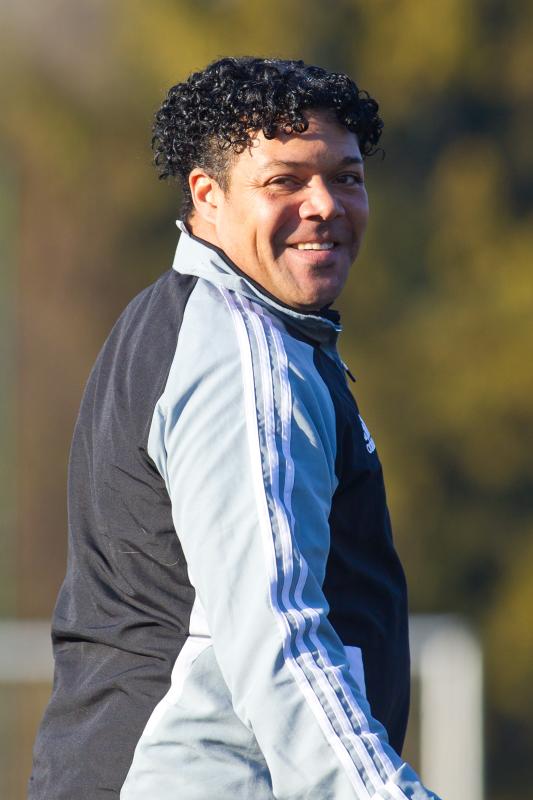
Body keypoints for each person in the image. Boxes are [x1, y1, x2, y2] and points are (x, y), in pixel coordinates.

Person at [29, 57, 440, 800]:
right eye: (285, 181)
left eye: (345, 177)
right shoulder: (243, 355)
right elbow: (277, 637)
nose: (324, 205)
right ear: (207, 196)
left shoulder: (190, 320)